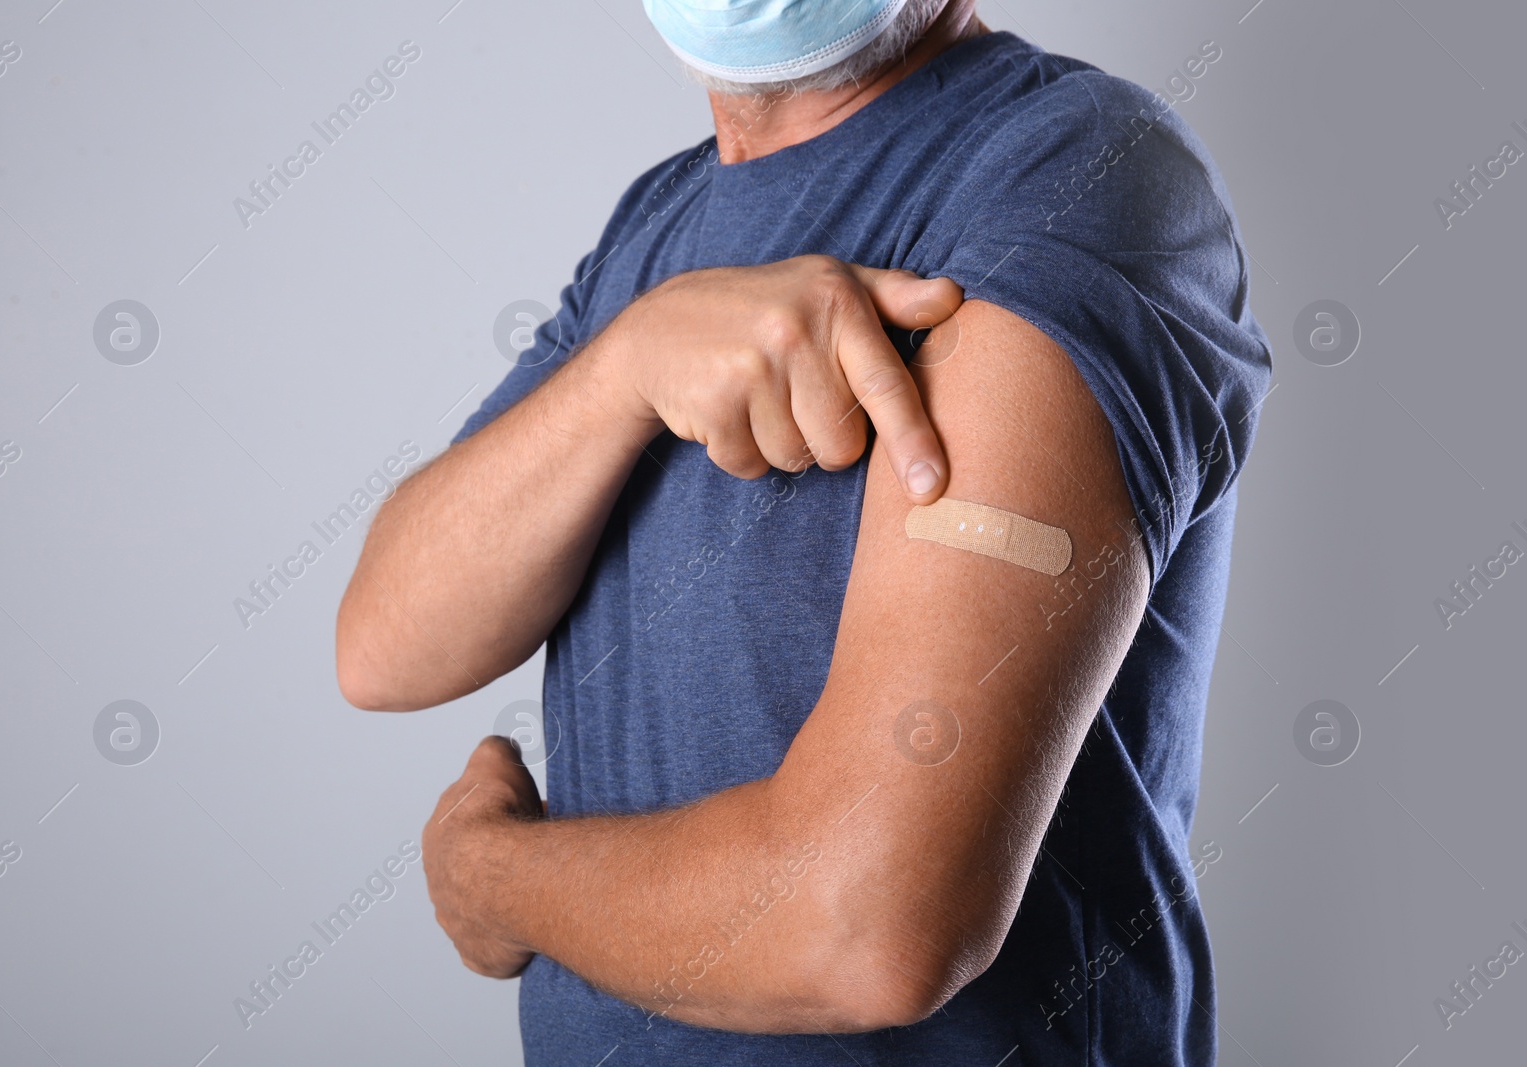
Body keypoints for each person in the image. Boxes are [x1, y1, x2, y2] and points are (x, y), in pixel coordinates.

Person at [335, 0, 1271, 1062]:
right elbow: (382, 643)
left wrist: (493, 879)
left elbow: (868, 920)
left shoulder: (1074, 168)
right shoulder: (657, 225)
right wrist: (624, 371)